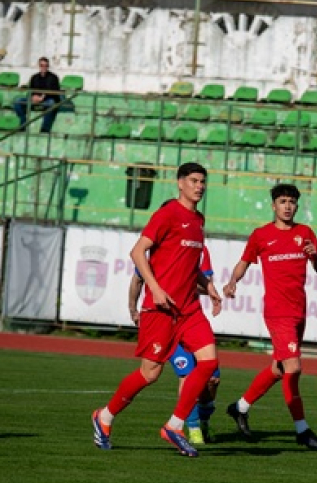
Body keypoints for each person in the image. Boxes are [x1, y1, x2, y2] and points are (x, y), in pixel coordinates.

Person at [91, 162, 221, 458]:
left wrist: (208, 286)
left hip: (188, 308)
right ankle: (105, 416)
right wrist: (156, 288)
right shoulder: (167, 214)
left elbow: (189, 265)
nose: (199, 186)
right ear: (180, 183)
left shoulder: (198, 220)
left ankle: (174, 426)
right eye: (194, 181)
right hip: (160, 309)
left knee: (209, 362)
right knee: (150, 374)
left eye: (203, 181)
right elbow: (137, 252)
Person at [222, 183, 317, 452]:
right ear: (273, 205)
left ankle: (240, 407)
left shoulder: (305, 233)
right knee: (293, 368)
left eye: (292, 201)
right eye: (282, 201)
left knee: (280, 368)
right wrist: (232, 282)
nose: (288, 206)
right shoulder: (261, 236)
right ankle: (302, 430)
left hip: (298, 311)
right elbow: (244, 262)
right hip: (277, 311)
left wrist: (314, 256)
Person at [128, 243, 221, 447]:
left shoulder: (200, 249)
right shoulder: (159, 250)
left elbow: (204, 282)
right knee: (185, 374)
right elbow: (137, 280)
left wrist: (190, 284)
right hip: (167, 322)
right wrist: (133, 309)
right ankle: (191, 427)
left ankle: (204, 420)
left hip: (191, 319)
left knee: (212, 379)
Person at [13, 56, 62, 133]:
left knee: (51, 103)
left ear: (48, 66)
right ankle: (23, 123)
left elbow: (54, 92)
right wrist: (33, 97)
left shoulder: (53, 77)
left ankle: (44, 129)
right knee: (18, 101)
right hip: (35, 100)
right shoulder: (34, 77)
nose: (44, 67)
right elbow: (31, 91)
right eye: (42, 65)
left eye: (46, 65)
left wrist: (42, 97)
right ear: (39, 66)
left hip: (47, 101)